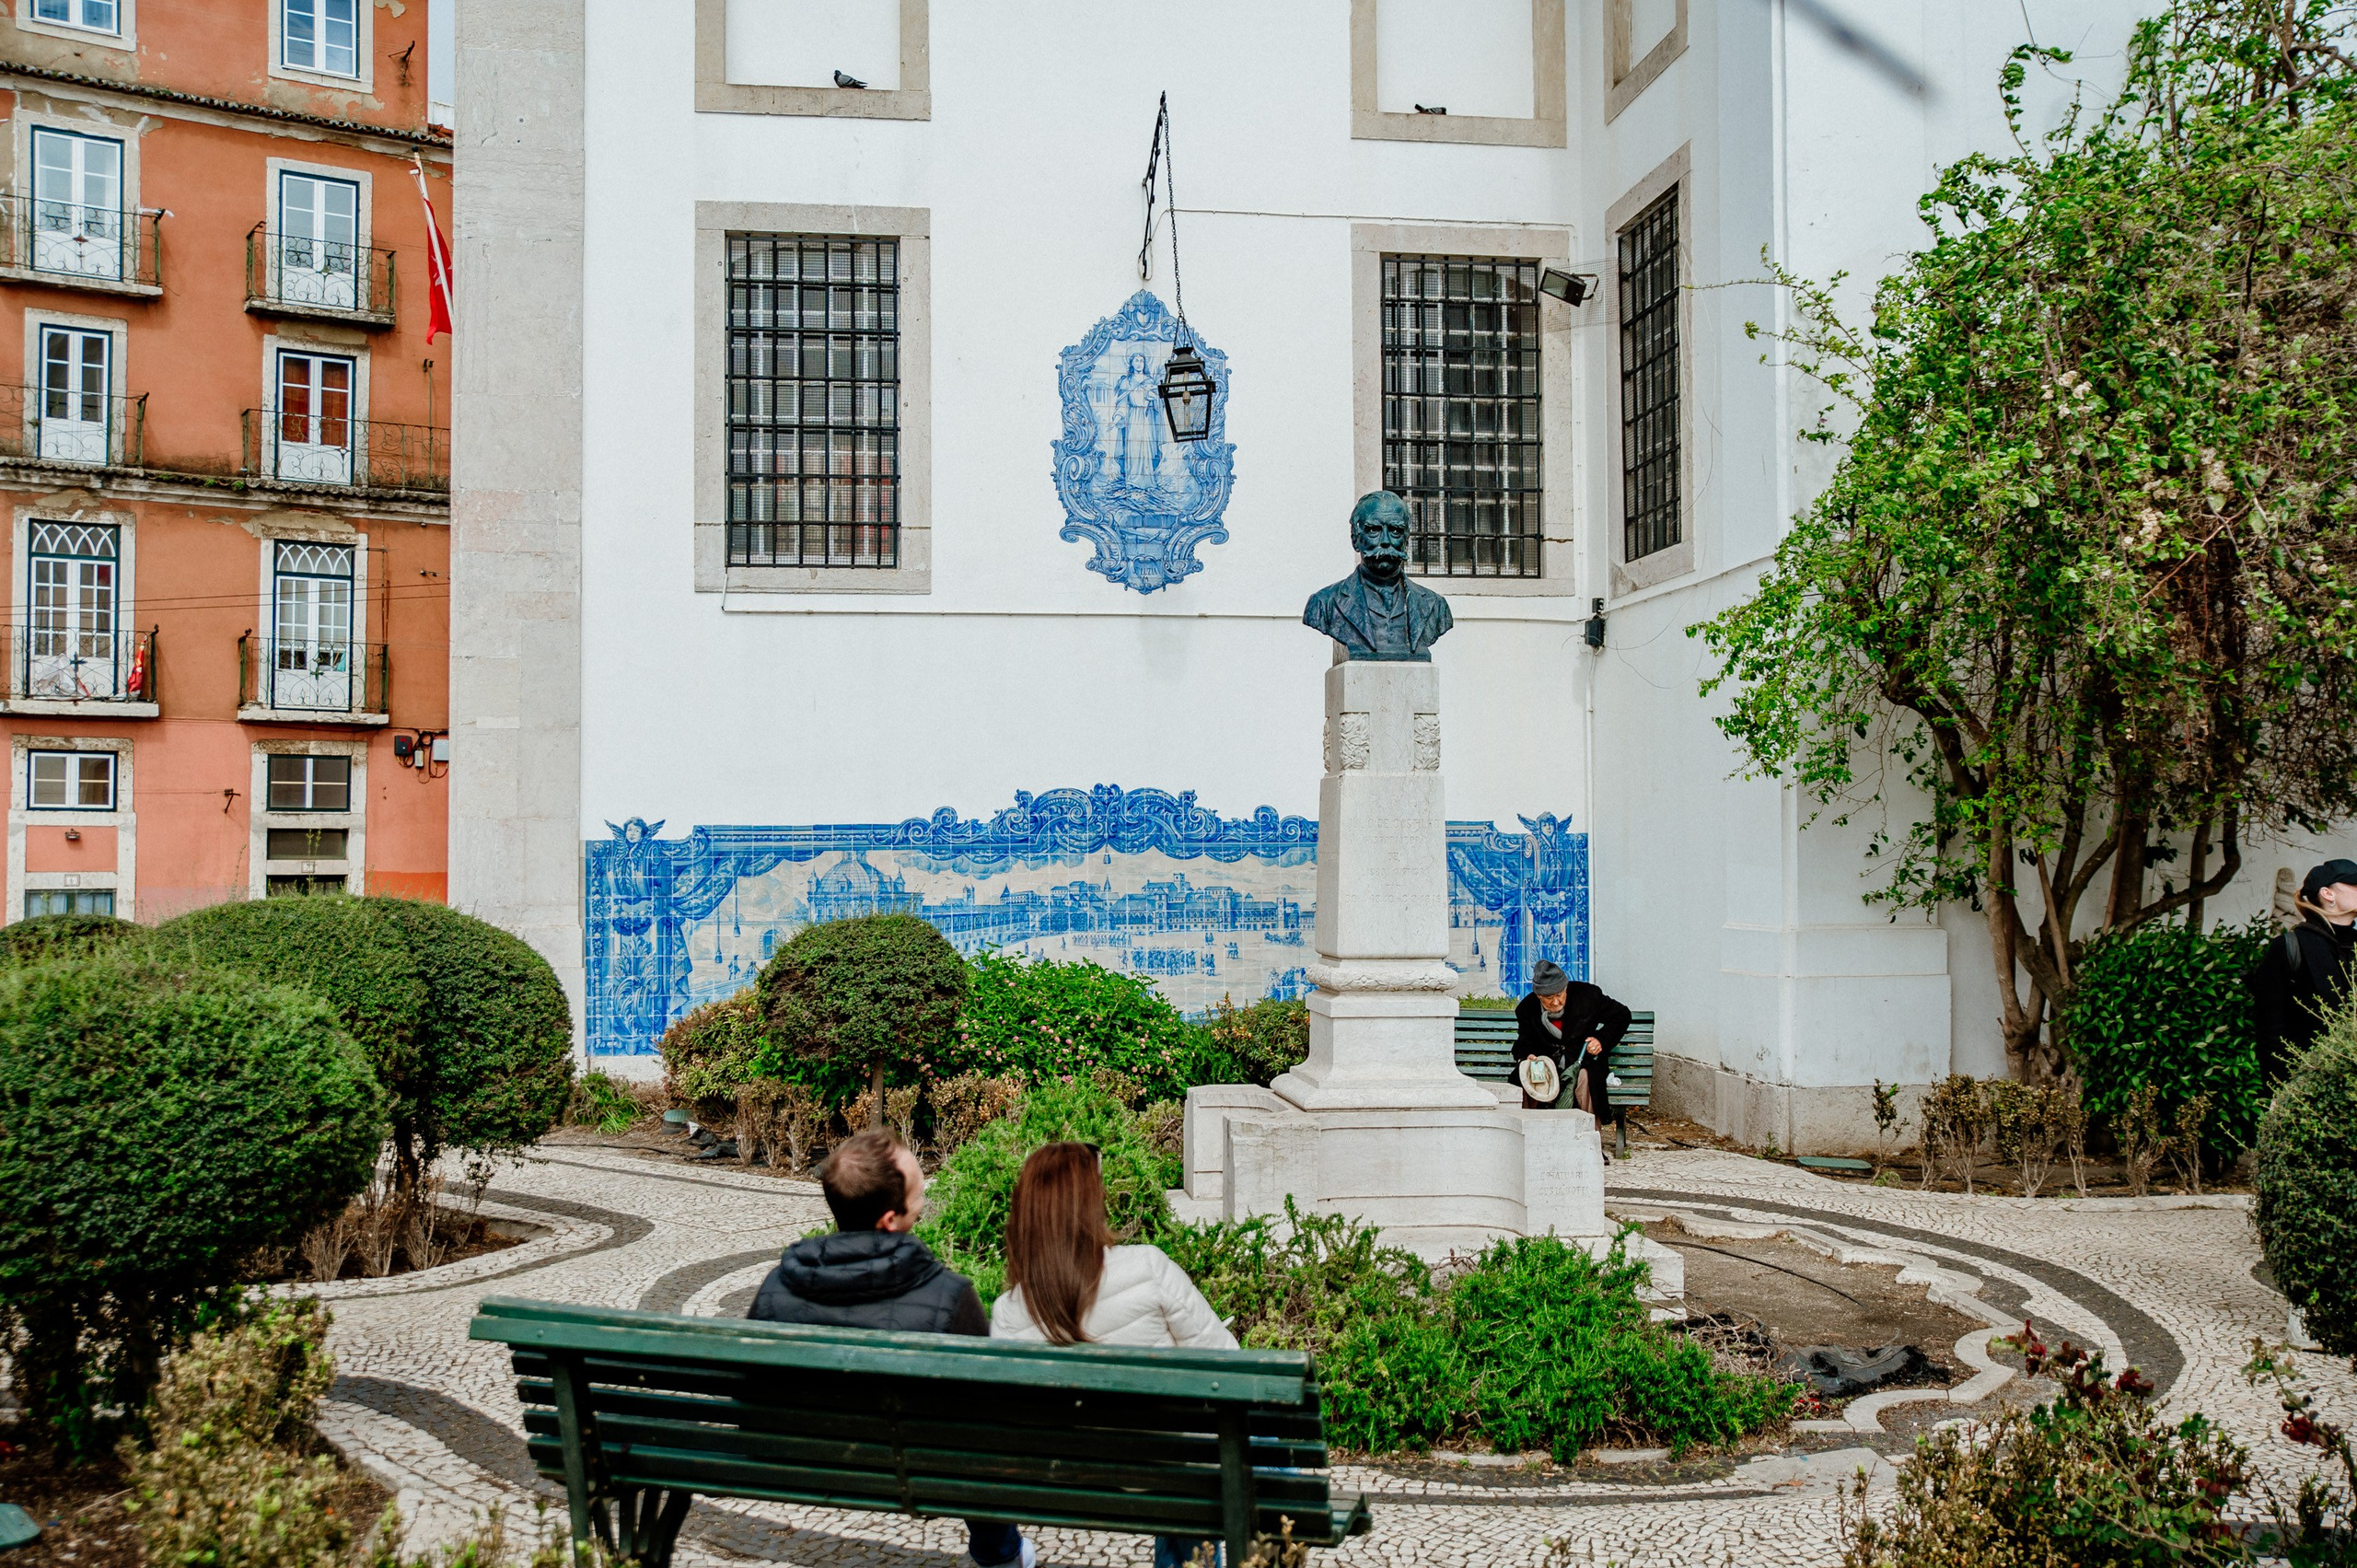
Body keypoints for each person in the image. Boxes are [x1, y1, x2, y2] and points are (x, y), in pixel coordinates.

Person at [747, 1128, 1033, 1568]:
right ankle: (1000, 1555)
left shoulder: (775, 1287)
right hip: (922, 1471)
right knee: (978, 1450)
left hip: (801, 1460)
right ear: (890, 1221)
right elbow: (985, 1421)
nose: (924, 1200)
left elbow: (752, 1392)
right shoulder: (950, 1296)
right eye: (919, 1195)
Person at [990, 1143, 1236, 1568]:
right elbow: (1228, 1363)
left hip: (1074, 1478)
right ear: (1091, 1206)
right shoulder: (1148, 1268)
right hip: (1169, 1464)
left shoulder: (1008, 1313)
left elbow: (1012, 1421)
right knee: (1246, 1439)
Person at [2251, 859, 2357, 1086]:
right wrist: (2283, 1091)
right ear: (2328, 894)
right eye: (2355, 884)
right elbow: (2271, 1031)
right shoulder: (2291, 947)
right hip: (2311, 1086)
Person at [1512, 958, 1635, 1155]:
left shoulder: (1589, 996)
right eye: (1548, 998)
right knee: (1526, 1077)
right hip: (1548, 1065)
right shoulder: (1527, 1008)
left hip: (1583, 1061)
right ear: (1538, 996)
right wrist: (1527, 1056)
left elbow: (1622, 1015)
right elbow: (1524, 1041)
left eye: (1559, 995)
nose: (1555, 1002)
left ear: (1565, 988)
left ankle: (1590, 1145)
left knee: (1587, 1078)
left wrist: (1601, 1040)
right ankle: (1528, 1144)